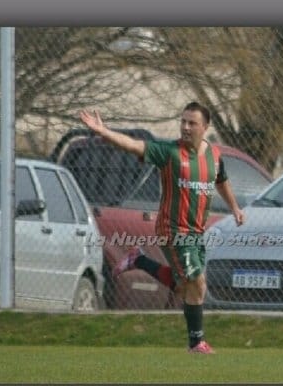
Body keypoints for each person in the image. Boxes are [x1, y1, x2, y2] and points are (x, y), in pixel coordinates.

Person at [80, 101, 244, 353]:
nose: (186, 127)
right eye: (183, 122)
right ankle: (196, 343)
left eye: (192, 123)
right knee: (197, 283)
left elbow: (221, 180)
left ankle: (140, 260)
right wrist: (104, 132)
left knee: (184, 287)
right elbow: (135, 145)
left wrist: (234, 207)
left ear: (206, 127)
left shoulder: (214, 155)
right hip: (173, 230)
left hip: (196, 232)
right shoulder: (169, 152)